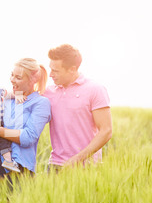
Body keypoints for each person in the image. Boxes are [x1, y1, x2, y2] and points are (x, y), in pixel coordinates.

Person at [0, 58, 51, 203]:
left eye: (18, 77)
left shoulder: (40, 103)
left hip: (19, 171)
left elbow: (28, 137)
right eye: (12, 75)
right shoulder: (6, 98)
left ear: (33, 79)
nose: (12, 80)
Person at [42, 44, 112, 173]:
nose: (51, 75)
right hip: (55, 166)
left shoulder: (95, 90)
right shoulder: (48, 92)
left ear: (72, 69)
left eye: (56, 71)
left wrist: (78, 159)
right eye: (50, 69)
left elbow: (106, 130)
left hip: (87, 167)